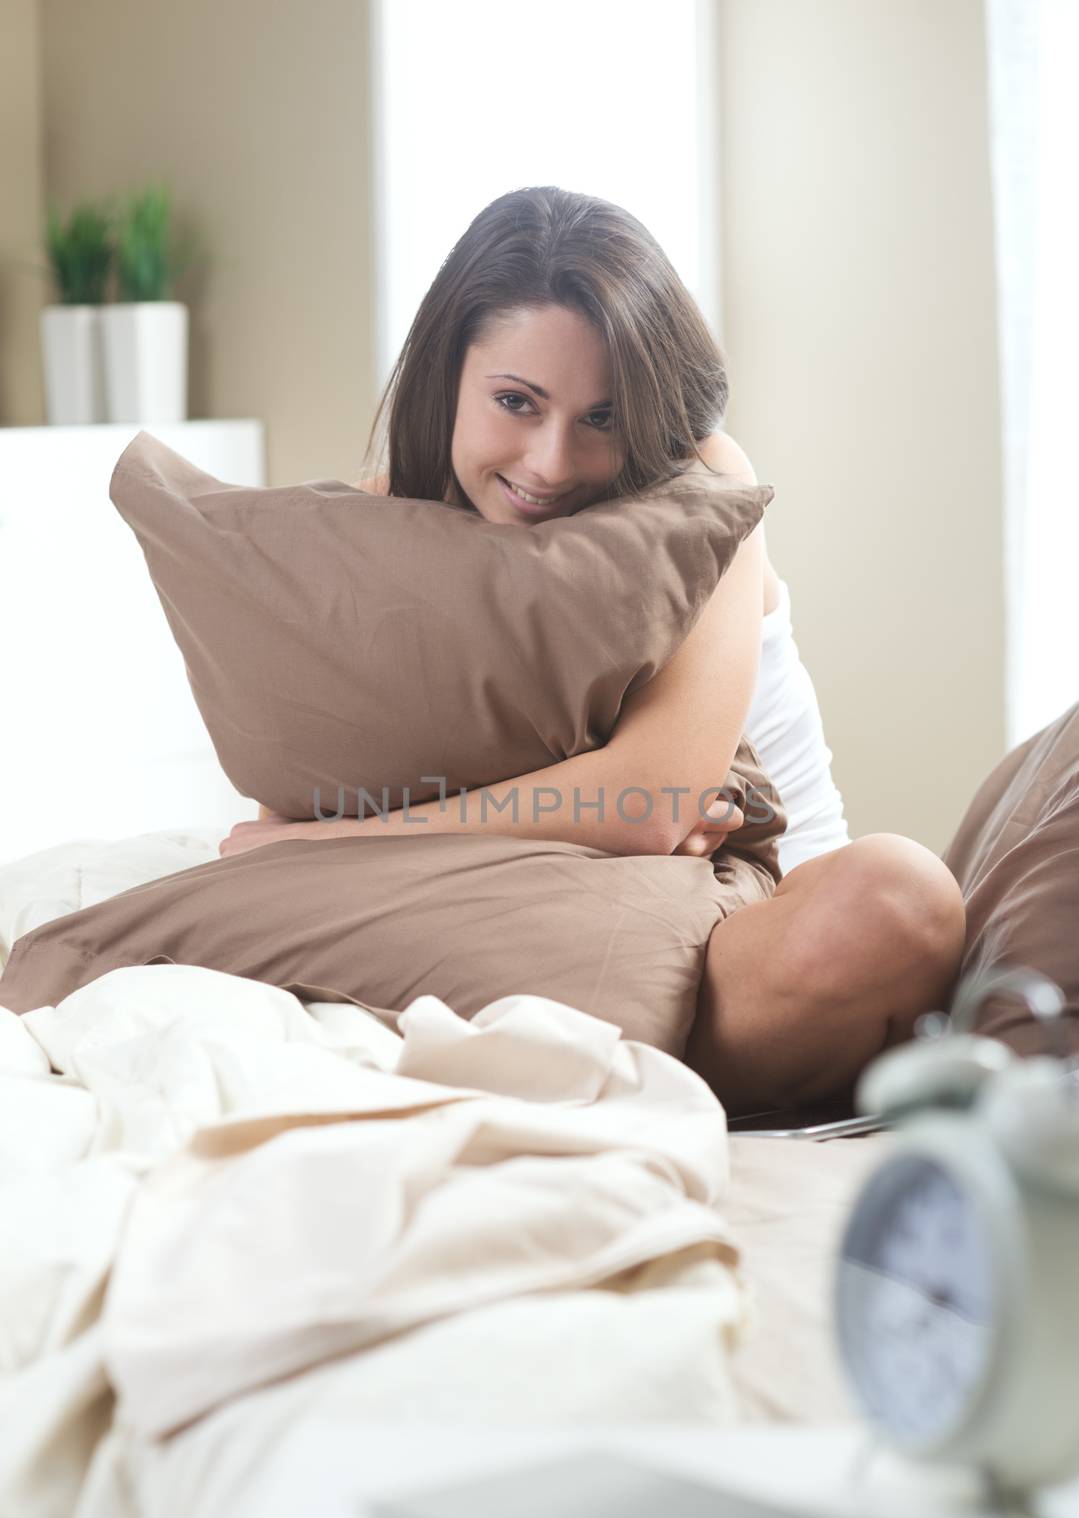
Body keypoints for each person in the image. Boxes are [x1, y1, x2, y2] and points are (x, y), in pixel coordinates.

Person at [224, 185, 964, 1115]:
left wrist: (339, 842)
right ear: (445, 376)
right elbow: (290, 812)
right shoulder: (367, 529)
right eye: (515, 402)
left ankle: (544, 1071)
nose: (550, 463)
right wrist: (588, 813)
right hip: (490, 927)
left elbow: (650, 804)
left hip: (737, 933)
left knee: (898, 895)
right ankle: (549, 1071)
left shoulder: (703, 485)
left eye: (601, 419)